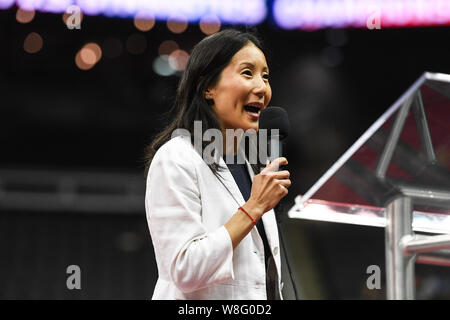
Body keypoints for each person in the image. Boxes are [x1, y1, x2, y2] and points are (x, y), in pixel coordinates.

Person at [144, 29, 291, 300]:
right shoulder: (176, 157)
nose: (261, 87)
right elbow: (184, 269)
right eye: (248, 73)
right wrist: (253, 207)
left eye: (265, 76)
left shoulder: (254, 165)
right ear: (207, 87)